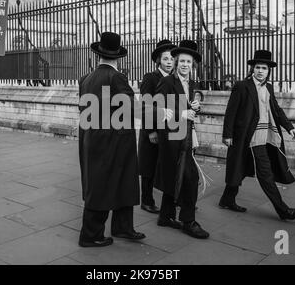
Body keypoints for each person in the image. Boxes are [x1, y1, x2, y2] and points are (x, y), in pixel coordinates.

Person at [78, 32, 162, 247]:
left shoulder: (86, 79)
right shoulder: (116, 77)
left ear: (98, 54)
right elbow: (133, 107)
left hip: (92, 137)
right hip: (114, 140)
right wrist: (160, 112)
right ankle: (91, 235)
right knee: (104, 185)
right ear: (118, 56)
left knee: (115, 182)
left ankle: (123, 227)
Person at [219, 50, 295, 221]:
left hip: (265, 136)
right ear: (252, 68)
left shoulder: (268, 87)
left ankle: (227, 199)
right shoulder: (242, 86)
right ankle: (283, 210)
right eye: (257, 67)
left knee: (240, 169)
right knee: (265, 174)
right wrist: (227, 135)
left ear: (268, 70)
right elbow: (231, 112)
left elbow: (276, 110)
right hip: (246, 137)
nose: (260, 71)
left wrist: (289, 126)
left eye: (264, 68)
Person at [155, 40, 210, 239]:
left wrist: (196, 107)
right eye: (182, 61)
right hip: (172, 138)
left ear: (193, 64)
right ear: (177, 63)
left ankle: (165, 216)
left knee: (176, 176)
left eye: (189, 62)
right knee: (190, 178)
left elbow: (191, 110)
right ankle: (189, 221)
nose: (185, 65)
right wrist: (183, 113)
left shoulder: (192, 83)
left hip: (187, 137)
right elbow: (158, 109)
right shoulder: (168, 82)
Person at [138, 40, 177, 214]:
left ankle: (176, 198)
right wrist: (150, 131)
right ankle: (146, 200)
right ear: (159, 60)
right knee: (149, 166)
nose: (169, 62)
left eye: (172, 59)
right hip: (153, 131)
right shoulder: (151, 78)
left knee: (169, 165)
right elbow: (145, 106)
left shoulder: (175, 78)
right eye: (166, 59)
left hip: (170, 130)